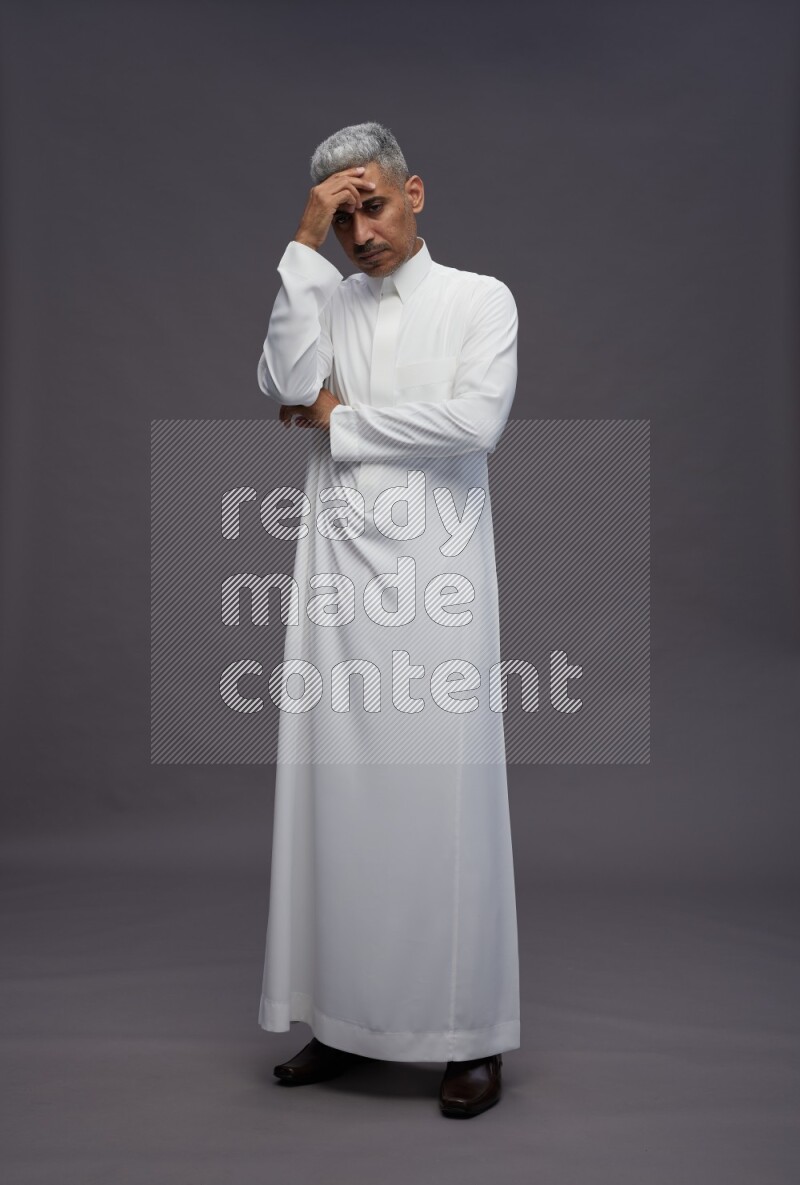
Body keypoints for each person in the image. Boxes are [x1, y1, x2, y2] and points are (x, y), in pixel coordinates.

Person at [256, 121, 520, 1118]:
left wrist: (341, 422)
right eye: (343, 213)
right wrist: (301, 242)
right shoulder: (327, 298)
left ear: (415, 192)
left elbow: (473, 421)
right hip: (335, 588)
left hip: (435, 588)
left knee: (440, 812)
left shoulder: (475, 299)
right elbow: (281, 383)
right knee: (339, 808)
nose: (361, 227)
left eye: (372, 202)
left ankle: (468, 1037)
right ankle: (343, 1018)